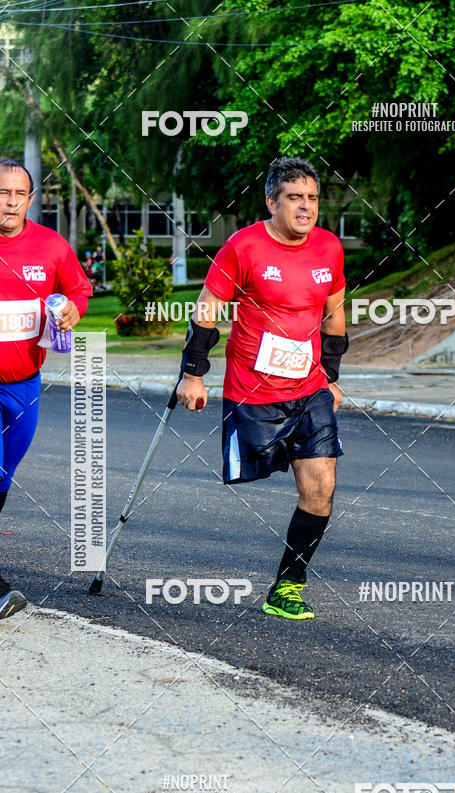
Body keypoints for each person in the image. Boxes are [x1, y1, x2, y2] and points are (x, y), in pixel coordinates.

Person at [177, 156, 348, 620]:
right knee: (245, 478)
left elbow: (334, 317)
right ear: (272, 202)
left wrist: (331, 378)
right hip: (254, 393)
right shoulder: (243, 246)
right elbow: (207, 309)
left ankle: (288, 585)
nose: (306, 207)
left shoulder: (330, 248)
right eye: (294, 198)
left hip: (309, 389)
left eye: (312, 198)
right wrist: (193, 374)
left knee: (322, 485)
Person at [0, 159, 92, 618]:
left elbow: (79, 291)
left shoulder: (51, 246)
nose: (11, 202)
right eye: (3, 192)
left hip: (24, 384)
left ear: (31, 200)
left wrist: (73, 310)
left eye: (20, 194)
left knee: (3, 477)